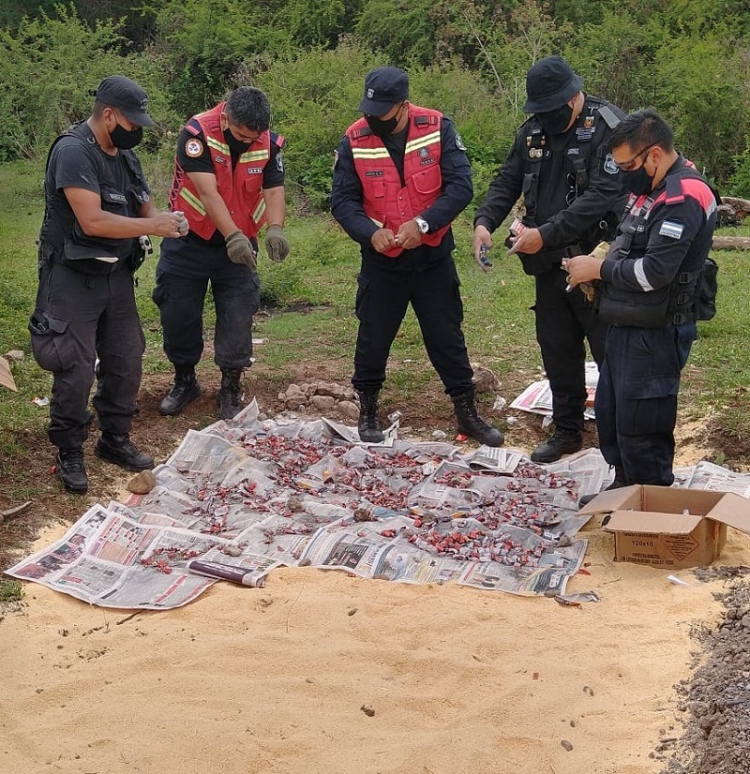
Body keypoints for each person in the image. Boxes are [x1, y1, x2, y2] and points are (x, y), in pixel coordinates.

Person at [30, 75, 188, 495]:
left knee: (126, 357)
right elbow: (92, 221)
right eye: (132, 122)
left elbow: (145, 207)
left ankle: (114, 438)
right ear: (109, 115)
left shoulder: (126, 158)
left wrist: (167, 220)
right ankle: (69, 449)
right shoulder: (73, 152)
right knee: (75, 366)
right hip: (71, 277)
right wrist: (151, 226)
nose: (136, 130)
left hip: (116, 275)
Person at [331, 66, 503, 447]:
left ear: (404, 106)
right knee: (373, 337)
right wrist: (370, 233)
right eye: (369, 112)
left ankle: (467, 412)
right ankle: (368, 409)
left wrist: (423, 224)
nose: (373, 120)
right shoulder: (355, 138)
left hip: (432, 257)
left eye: (382, 113)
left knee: (447, 336)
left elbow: (461, 187)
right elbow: (342, 201)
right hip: (382, 261)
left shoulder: (438, 128)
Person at [473, 56, 627, 463]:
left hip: (597, 262)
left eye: (552, 109)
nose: (546, 118)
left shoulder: (609, 127)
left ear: (573, 98)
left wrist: (544, 233)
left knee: (611, 352)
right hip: (549, 264)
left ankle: (621, 438)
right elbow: (507, 179)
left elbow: (602, 196)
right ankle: (567, 429)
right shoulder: (533, 131)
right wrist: (485, 221)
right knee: (557, 348)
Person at [566, 108, 718, 489]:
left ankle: (647, 501)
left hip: (656, 333)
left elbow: (654, 273)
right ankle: (624, 487)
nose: (624, 175)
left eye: (628, 165)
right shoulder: (652, 187)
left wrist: (599, 270)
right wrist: (601, 260)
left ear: (654, 154)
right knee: (612, 415)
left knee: (642, 429)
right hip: (627, 323)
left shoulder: (683, 197)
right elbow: (629, 240)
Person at [154, 86, 290, 420]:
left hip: (240, 246)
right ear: (227, 118)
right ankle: (185, 380)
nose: (248, 142)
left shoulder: (269, 143)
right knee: (179, 313)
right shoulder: (196, 134)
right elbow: (208, 193)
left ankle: (230, 385)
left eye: (254, 137)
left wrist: (275, 228)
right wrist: (233, 235)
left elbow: (274, 189)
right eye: (242, 136)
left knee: (238, 313)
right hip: (188, 237)